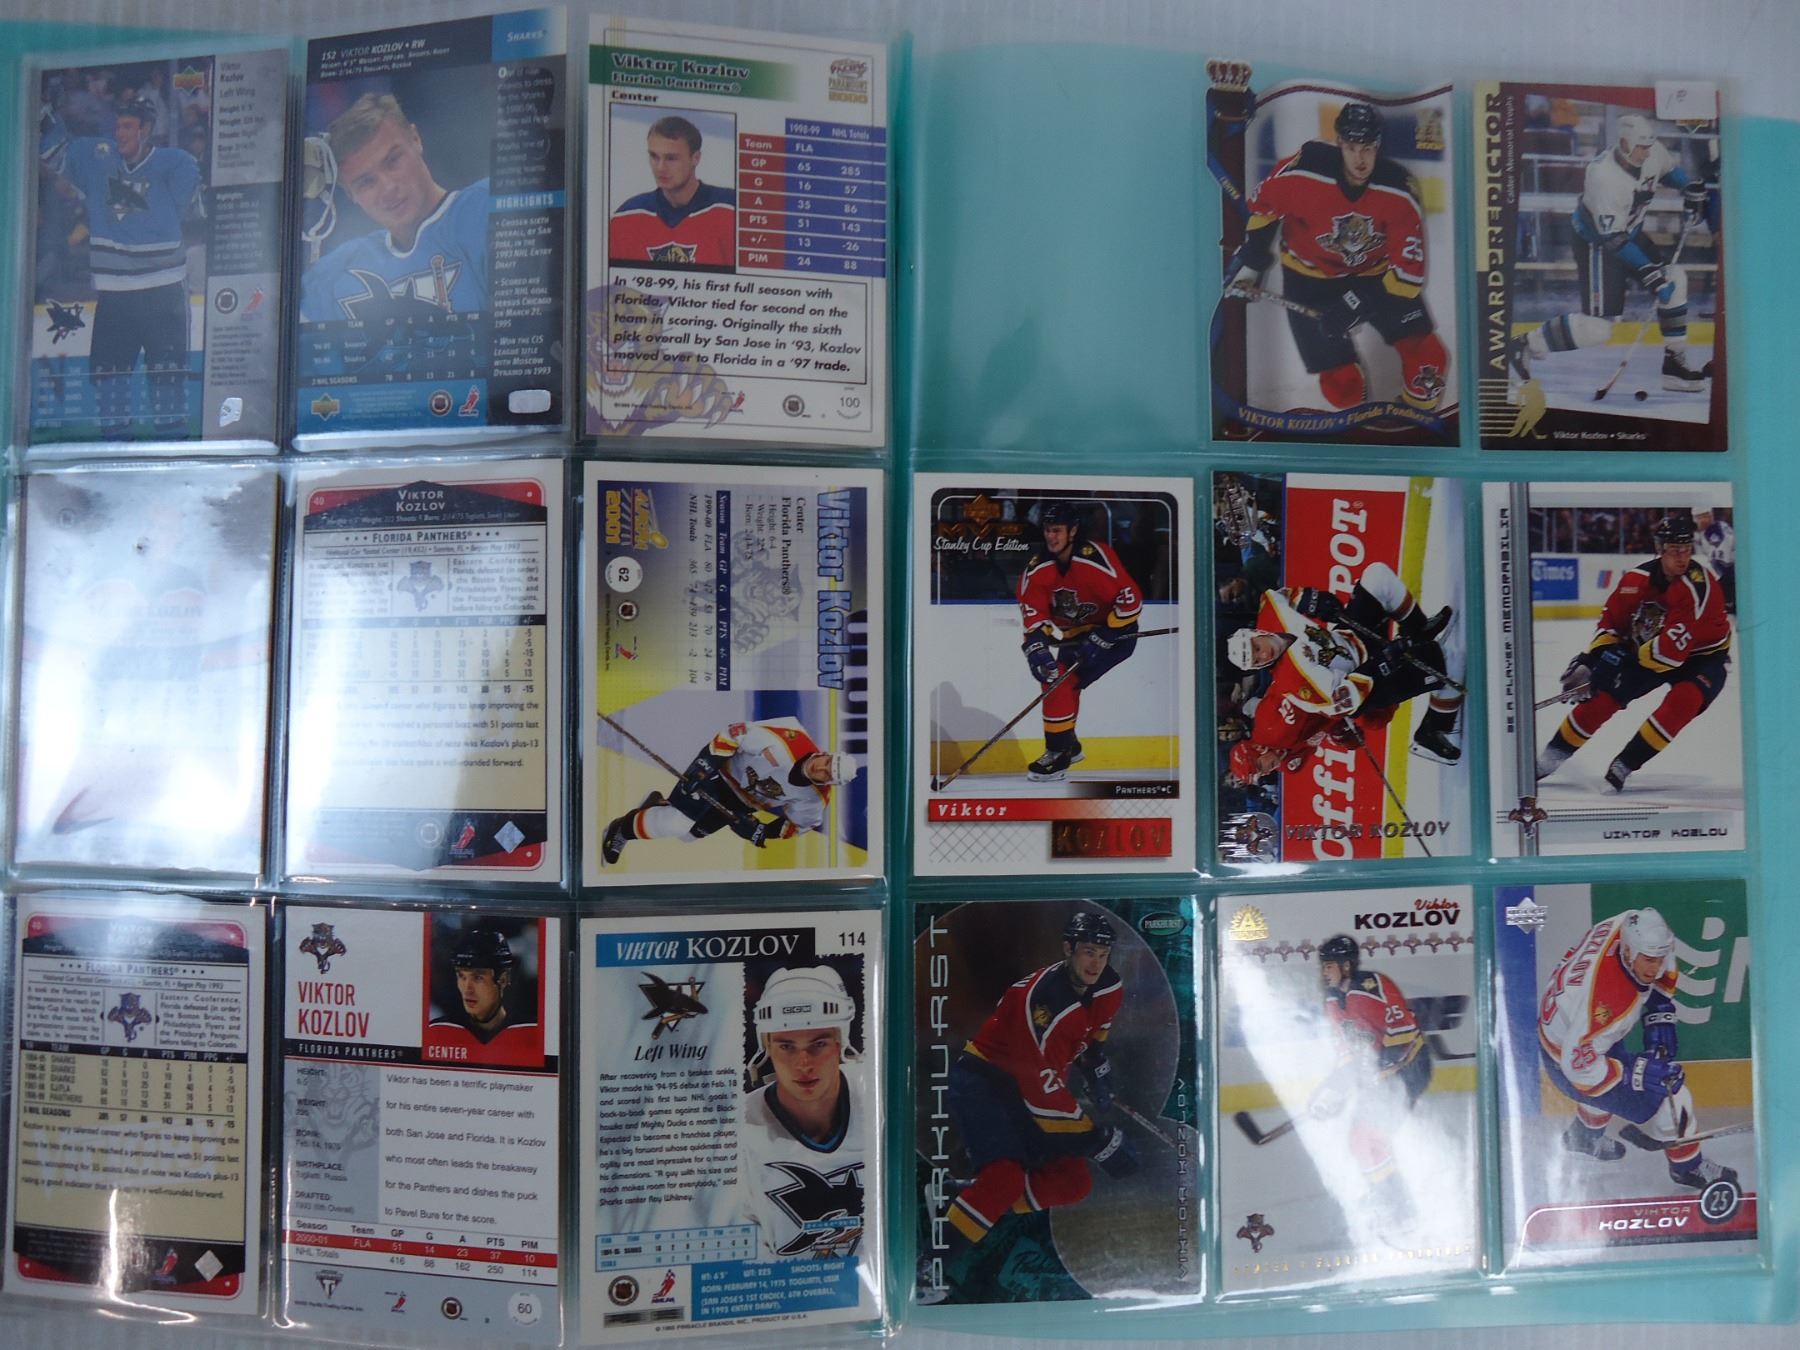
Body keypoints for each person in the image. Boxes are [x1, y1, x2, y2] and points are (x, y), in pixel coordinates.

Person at [941, 911, 1137, 1270]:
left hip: (1028, 1087)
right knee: (1005, 1179)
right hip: (986, 1082)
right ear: (1068, 949)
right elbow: (1038, 1085)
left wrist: (1094, 1060)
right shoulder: (1044, 1005)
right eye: (1088, 952)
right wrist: (1095, 1140)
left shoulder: (1108, 986)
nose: (1096, 964)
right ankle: (931, 1267)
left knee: (1073, 1183)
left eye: (1103, 954)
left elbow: (1096, 1028)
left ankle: (967, 1200)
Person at [1225, 101, 1449, 413]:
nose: (1360, 159)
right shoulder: (1303, 171)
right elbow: (1263, 209)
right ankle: (1358, 426)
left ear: (1378, 146)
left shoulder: (1399, 190)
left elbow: (1407, 277)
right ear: (1339, 143)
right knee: (1343, 388)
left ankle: (1415, 420)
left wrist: (1357, 302)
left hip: (1375, 277)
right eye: (1352, 147)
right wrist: (1252, 259)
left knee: (1429, 359)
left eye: (1367, 148)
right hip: (1309, 279)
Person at [1509, 113, 1712, 393]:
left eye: (1648, 146)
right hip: (1598, 244)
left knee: (1674, 278)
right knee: (1598, 329)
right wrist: (1650, 274)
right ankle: (1524, 344)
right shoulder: (1603, 176)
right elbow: (1612, 240)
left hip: (1629, 234)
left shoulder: (1651, 151)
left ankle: (1674, 366)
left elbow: (1667, 171)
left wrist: (1688, 186)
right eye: (1641, 147)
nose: (1647, 152)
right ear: (1624, 144)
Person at [1538, 907, 1737, 1190]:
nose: (1655, 969)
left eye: (1659, 959)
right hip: (1567, 1061)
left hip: (1568, 1030)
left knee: (1608, 1061)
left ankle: (1584, 1137)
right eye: (1649, 960)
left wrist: (1660, 1011)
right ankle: (1687, 1168)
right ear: (1629, 951)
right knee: (1672, 1094)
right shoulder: (1606, 1002)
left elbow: (1660, 960)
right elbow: (1578, 1067)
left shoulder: (1630, 924)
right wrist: (1638, 1074)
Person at [39, 93, 202, 436]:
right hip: (115, 295)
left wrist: (130, 201)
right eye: (118, 126)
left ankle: (171, 455)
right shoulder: (98, 158)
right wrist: (41, 114)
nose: (120, 133)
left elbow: (178, 211)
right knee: (109, 382)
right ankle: (114, 455)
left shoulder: (177, 163)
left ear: (146, 129)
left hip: (164, 291)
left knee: (168, 382)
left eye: (128, 126)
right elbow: (54, 151)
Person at [1223, 562, 1463, 789]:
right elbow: (1337, 700)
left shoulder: (1272, 726)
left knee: (1377, 577)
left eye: (1256, 648)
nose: (1264, 654)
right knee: (1449, 661)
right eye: (1257, 661)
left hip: (1351, 642)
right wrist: (1381, 664)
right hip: (1363, 682)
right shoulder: (1293, 689)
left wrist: (1312, 599)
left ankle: (1419, 631)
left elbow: (1280, 597)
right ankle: (1434, 731)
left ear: (1256, 632)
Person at [1536, 513, 1731, 791]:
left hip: (1703, 657)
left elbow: (1671, 654)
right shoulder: (1635, 581)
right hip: (1653, 651)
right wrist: (1594, 659)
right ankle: (1549, 759)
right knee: (1601, 698)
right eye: (1675, 550)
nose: (1682, 558)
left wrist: (1620, 661)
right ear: (1660, 549)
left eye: (1687, 549)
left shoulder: (1696, 586)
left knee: (1684, 700)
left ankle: (1625, 764)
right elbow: (1612, 623)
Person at [299, 92, 489, 321]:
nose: (388, 188)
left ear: (415, 139)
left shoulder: (485, 210)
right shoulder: (335, 273)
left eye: (393, 161)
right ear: (350, 194)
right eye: (366, 182)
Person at [601, 716, 859, 864]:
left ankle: (659, 806)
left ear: (830, 783)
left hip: (740, 804)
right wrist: (701, 769)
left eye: (827, 774)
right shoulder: (790, 740)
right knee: (676, 824)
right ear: (827, 754)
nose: (820, 768)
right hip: (717, 774)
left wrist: (762, 831)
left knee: (690, 835)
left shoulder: (815, 800)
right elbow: (733, 734)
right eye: (827, 762)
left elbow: (796, 826)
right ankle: (622, 828)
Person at [740, 965, 867, 1259]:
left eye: (818, 1044)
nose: (804, 1064)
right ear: (767, 1046)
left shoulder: (880, 1098)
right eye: (787, 1046)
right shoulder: (738, 1130)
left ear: (841, 1041)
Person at [1310, 934, 1432, 1227]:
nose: (1324, 972)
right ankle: (1391, 1199)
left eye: (1329, 966)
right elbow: (1346, 1053)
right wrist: (1333, 1091)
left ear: (1347, 966)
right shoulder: (1332, 1001)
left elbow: (1403, 1037)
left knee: (1370, 1136)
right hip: (1380, 1078)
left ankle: (1400, 1207)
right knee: (1359, 1140)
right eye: (1323, 966)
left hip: (1408, 1070)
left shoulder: (1374, 987)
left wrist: (1374, 1070)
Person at [1017, 501, 1144, 782]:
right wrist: (1036, 648)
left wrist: (1106, 634)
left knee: (1061, 683)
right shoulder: (1037, 570)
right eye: (1048, 530)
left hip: (1116, 634)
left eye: (1057, 530)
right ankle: (1068, 745)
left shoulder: (1095, 558)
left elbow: (1131, 601)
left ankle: (1059, 751)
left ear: (1072, 531)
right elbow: (1033, 614)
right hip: (1074, 638)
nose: (1051, 536)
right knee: (1054, 678)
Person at [609, 115, 736, 268]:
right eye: (654, 156)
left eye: (671, 158)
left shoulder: (732, 211)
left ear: (696, 158)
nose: (660, 167)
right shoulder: (625, 219)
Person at [428, 927, 534, 1048]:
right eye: (462, 976)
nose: (468, 989)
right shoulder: (441, 1030)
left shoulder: (530, 1032)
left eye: (478, 978)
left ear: (503, 979)